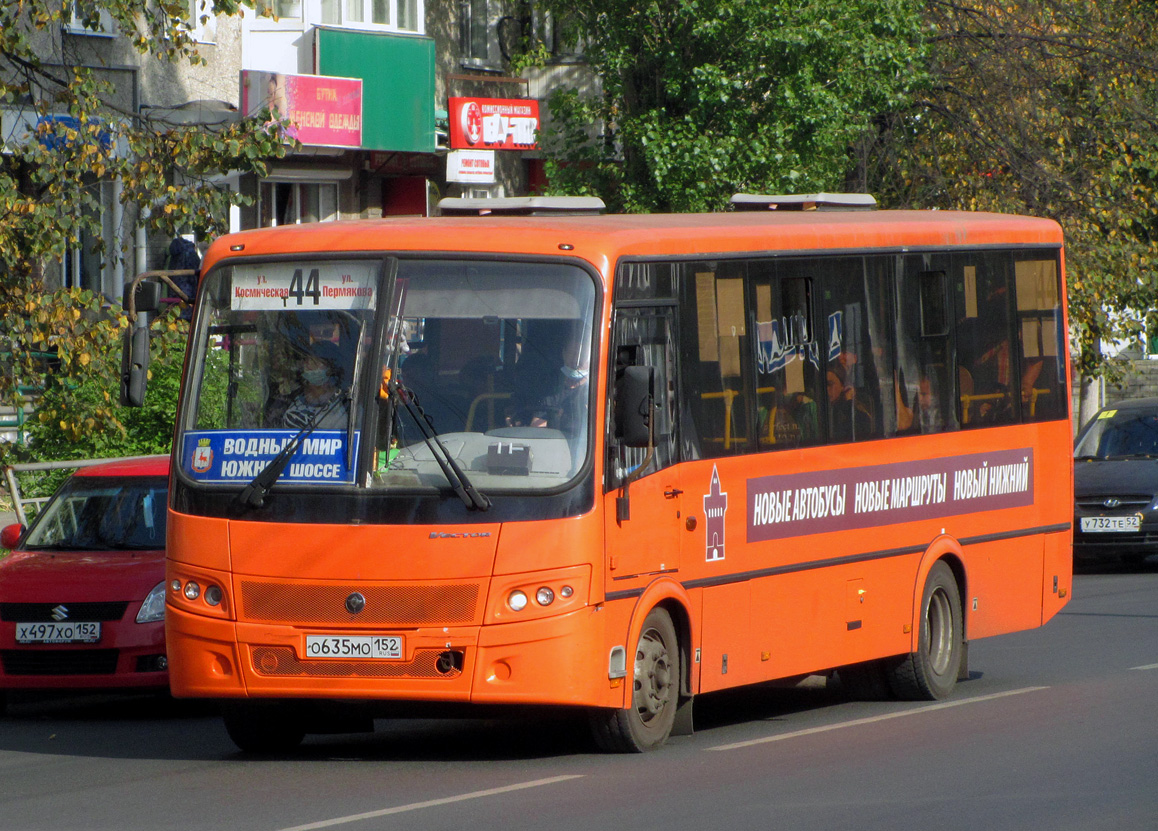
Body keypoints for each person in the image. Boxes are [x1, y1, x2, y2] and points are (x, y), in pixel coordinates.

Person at [281, 341, 349, 430]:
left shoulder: (346, 403)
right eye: (307, 359)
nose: (309, 364)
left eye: (317, 361)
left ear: (331, 368)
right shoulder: (290, 400)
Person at [827, 362, 871, 442]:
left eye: (830, 384)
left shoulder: (853, 411)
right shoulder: (817, 409)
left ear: (842, 386)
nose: (827, 390)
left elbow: (860, 432)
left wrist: (849, 402)